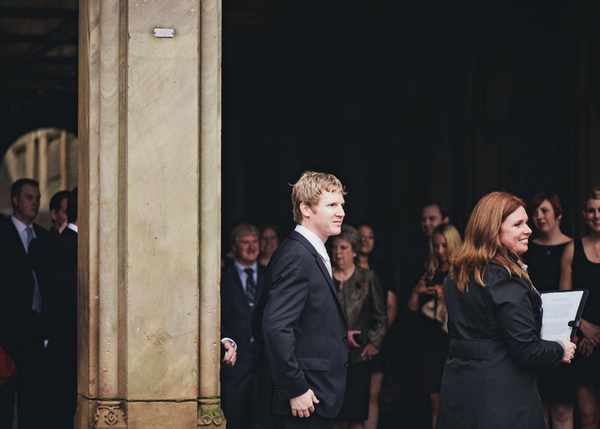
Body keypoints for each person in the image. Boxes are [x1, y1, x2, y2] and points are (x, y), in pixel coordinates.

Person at [437, 191, 576, 429]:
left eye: (526, 222)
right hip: (501, 399)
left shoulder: (455, 274)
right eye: (518, 224)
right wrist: (560, 348)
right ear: (493, 230)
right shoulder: (505, 278)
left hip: (460, 391)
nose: (529, 229)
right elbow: (527, 350)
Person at [254, 171, 348, 429]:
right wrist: (295, 388)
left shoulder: (311, 252)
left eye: (341, 205)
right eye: (331, 205)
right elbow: (275, 326)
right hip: (303, 399)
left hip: (314, 395)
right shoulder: (297, 255)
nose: (341, 212)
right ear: (305, 208)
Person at [0, 178, 48, 429]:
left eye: (38, 198)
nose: (35, 202)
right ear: (16, 200)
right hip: (6, 336)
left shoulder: (42, 236)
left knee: (32, 404)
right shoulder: (3, 233)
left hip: (35, 334)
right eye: (29, 197)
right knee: (4, 406)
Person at [523, 192, 574, 428]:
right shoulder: (525, 250)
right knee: (538, 406)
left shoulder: (572, 248)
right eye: (534, 213)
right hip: (535, 333)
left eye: (544, 211)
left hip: (563, 333)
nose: (539, 217)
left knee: (563, 408)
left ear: (559, 214)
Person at [332, 225, 387, 429]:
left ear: (354, 251)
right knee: (333, 415)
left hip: (358, 358)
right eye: (335, 247)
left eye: (344, 247)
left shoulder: (367, 277)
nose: (338, 252)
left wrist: (374, 342)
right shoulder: (325, 276)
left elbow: (380, 316)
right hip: (331, 357)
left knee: (356, 416)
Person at [408, 223, 461, 429]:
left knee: (454, 399)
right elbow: (411, 311)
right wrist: (416, 292)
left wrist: (445, 296)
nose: (440, 251)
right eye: (436, 246)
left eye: (445, 246)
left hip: (451, 343)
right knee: (433, 399)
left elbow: (468, 312)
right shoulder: (429, 272)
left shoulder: (461, 274)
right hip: (429, 344)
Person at [220, 223, 271, 429]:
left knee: (263, 422)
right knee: (233, 420)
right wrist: (225, 340)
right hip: (234, 364)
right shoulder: (222, 276)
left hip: (264, 363)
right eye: (245, 242)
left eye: (255, 242)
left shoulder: (271, 274)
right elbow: (213, 315)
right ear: (234, 246)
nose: (251, 247)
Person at [560, 186, 600, 429]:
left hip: (593, 339)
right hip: (584, 344)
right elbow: (565, 300)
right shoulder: (572, 249)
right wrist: (585, 328)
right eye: (591, 210)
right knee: (587, 416)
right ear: (584, 215)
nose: (597, 215)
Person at [356, 223, 397, 429]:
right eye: (361, 236)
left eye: (370, 237)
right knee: (352, 397)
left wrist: (377, 339)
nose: (365, 240)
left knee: (372, 396)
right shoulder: (344, 267)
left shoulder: (381, 270)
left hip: (376, 342)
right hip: (351, 341)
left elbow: (391, 306)